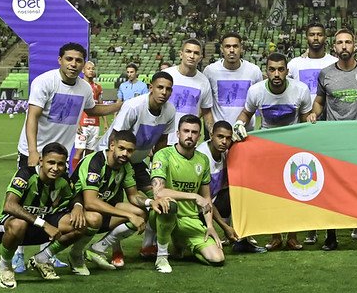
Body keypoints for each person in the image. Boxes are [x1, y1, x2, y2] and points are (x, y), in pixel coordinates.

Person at [13, 42, 121, 272]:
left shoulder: (84, 88)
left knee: (52, 203)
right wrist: (33, 152)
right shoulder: (45, 82)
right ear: (60, 60)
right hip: (35, 152)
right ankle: (17, 254)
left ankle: (45, 254)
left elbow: (91, 110)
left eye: (78, 60)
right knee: (26, 202)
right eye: (69, 59)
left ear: (84, 64)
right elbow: (32, 117)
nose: (73, 64)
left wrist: (117, 106)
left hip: (60, 156)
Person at [306, 28, 357, 250]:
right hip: (334, 138)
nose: (344, 46)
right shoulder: (326, 73)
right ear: (334, 47)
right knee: (332, 189)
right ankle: (331, 236)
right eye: (340, 43)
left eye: (348, 42)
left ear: (355, 44)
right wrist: (313, 112)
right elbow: (319, 101)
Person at [234, 53, 313, 250]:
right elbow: (246, 112)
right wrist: (238, 123)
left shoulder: (300, 90)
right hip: (267, 148)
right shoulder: (256, 91)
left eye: (280, 69)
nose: (276, 74)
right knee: (272, 193)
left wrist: (310, 130)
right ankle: (275, 236)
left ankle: (293, 236)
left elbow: (306, 118)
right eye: (272, 69)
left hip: (294, 147)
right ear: (266, 71)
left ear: (287, 70)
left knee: (296, 191)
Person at [97, 71, 176, 265]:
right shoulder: (134, 106)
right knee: (115, 206)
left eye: (168, 89)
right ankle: (114, 249)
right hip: (115, 158)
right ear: (151, 88)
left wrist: (158, 171)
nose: (164, 92)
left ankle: (148, 244)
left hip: (138, 162)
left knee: (159, 196)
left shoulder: (170, 111)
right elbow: (115, 138)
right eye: (160, 87)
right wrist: (114, 166)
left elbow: (162, 144)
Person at [0, 142, 89, 288]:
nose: (55, 168)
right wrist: (44, 224)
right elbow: (10, 205)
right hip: (10, 228)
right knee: (19, 224)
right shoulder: (26, 174)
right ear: (41, 161)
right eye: (51, 162)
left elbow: (75, 195)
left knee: (79, 224)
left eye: (60, 164)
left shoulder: (63, 180)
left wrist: (77, 206)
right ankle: (5, 266)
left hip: (40, 225)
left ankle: (42, 258)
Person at [73, 130, 168, 271]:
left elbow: (133, 195)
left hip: (102, 207)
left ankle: (98, 248)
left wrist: (150, 202)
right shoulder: (95, 162)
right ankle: (75, 255)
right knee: (95, 218)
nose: (125, 153)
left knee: (141, 213)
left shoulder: (126, 166)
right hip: (78, 208)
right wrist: (129, 215)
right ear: (112, 146)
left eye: (129, 151)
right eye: (121, 148)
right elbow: (90, 202)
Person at [150, 115, 225, 273]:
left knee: (217, 258)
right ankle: (162, 256)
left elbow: (206, 197)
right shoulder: (163, 155)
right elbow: (159, 192)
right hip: (162, 213)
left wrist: (210, 226)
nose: (189, 135)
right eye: (186, 131)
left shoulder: (202, 160)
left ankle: (181, 241)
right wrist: (193, 196)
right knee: (169, 204)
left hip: (190, 219)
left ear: (199, 135)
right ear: (178, 133)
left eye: (194, 132)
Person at [196, 121, 264, 254]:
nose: (224, 141)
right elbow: (205, 198)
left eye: (227, 138)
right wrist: (225, 227)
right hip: (196, 208)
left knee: (242, 192)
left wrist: (241, 140)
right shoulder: (202, 157)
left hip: (212, 201)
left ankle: (242, 240)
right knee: (210, 250)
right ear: (211, 134)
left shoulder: (225, 151)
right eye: (220, 137)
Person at [204, 32, 263, 128]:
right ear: (221, 49)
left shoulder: (254, 71)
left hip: (247, 132)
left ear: (241, 48)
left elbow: (261, 102)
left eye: (235, 46)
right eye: (227, 46)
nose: (231, 50)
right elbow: (205, 105)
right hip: (220, 134)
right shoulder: (210, 71)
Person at [165, 38, 214, 144]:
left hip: (188, 141)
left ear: (200, 58)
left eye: (196, 53)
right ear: (181, 54)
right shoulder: (167, 75)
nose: (192, 56)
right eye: (188, 51)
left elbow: (206, 112)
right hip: (163, 140)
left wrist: (212, 131)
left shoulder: (203, 81)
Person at [287, 22, 337, 104]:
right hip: (302, 114)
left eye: (319, 35)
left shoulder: (334, 63)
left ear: (325, 37)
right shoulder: (295, 63)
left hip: (328, 114)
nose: (316, 38)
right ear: (306, 38)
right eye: (312, 35)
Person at [72, 61, 106, 171]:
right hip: (82, 124)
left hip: (95, 124)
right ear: (83, 70)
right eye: (88, 68)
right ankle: (74, 175)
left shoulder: (98, 87)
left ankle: (85, 173)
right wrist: (76, 123)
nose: (91, 70)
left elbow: (100, 105)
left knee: (90, 152)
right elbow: (75, 105)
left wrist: (105, 122)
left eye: (93, 68)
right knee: (79, 151)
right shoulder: (78, 85)